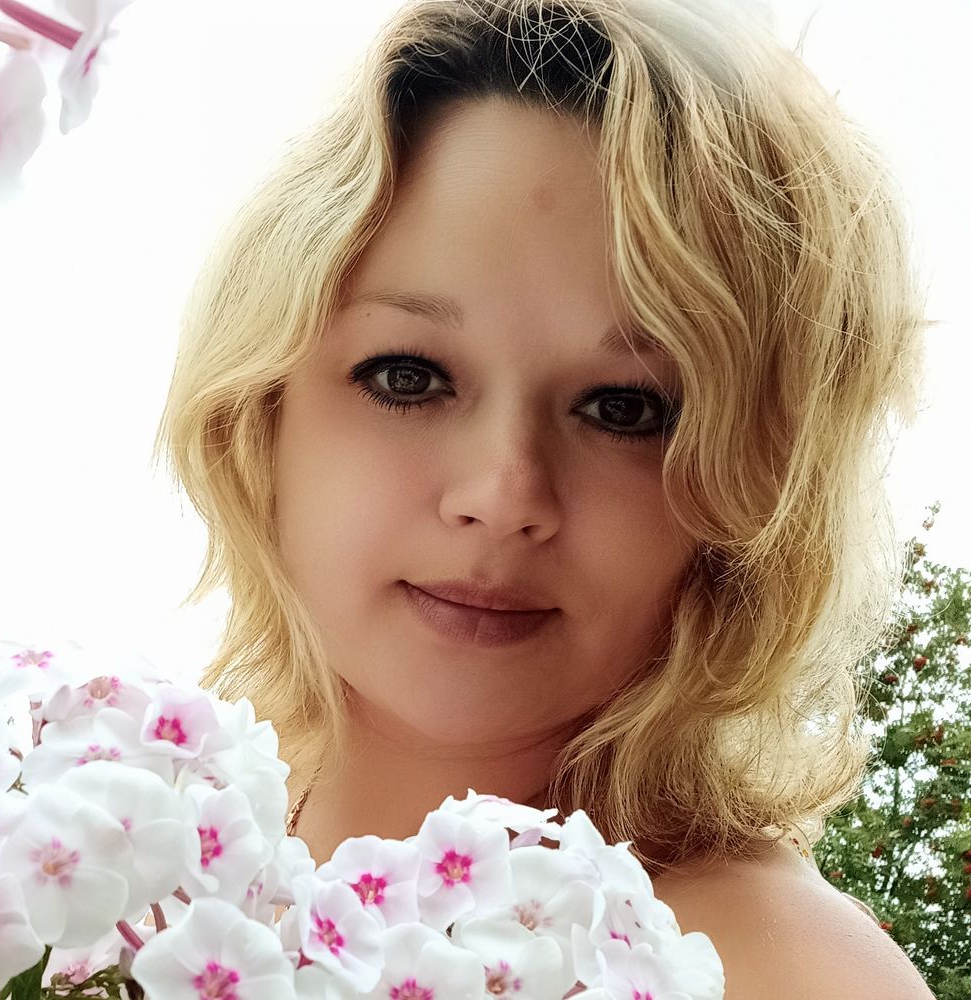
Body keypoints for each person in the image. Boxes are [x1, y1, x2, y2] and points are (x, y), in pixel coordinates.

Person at [152, 0, 935, 995]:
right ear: (259, 409)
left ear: (757, 491)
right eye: (410, 377)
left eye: (624, 408)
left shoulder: (778, 972)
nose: (503, 495)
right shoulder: (111, 837)